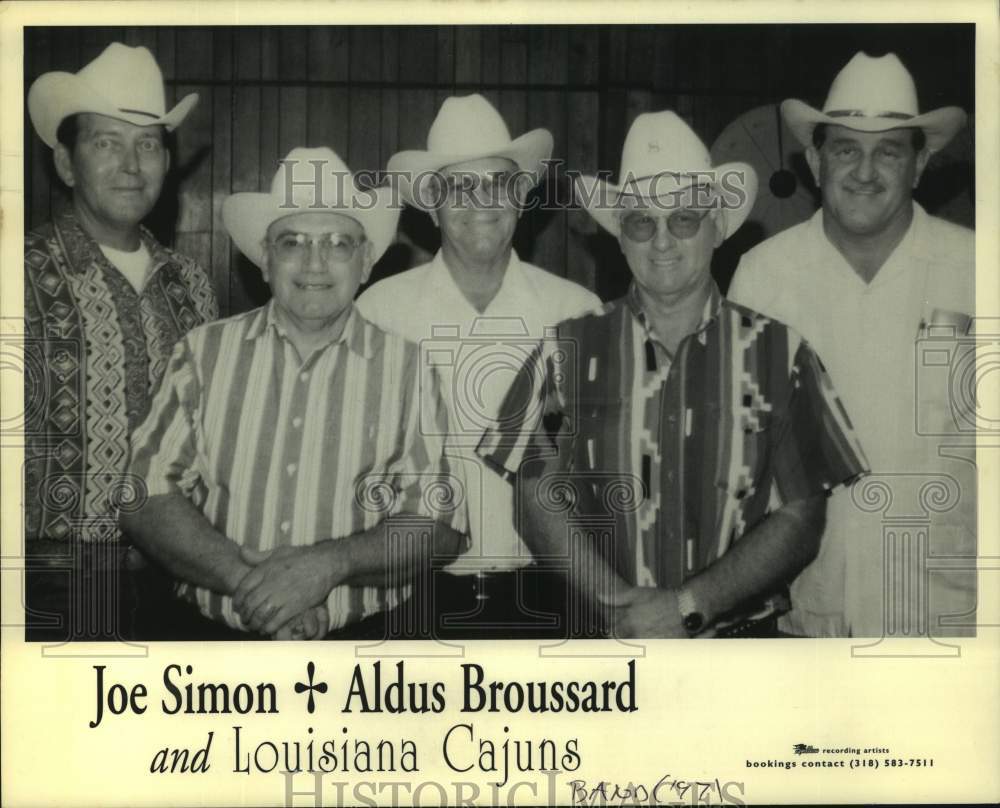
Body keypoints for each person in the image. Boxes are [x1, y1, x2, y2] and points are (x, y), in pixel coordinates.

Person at [478, 111, 869, 638]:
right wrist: (616, 606)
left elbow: (802, 518)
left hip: (737, 652)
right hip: (602, 643)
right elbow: (532, 496)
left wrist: (689, 605)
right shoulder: (564, 348)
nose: (661, 240)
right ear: (620, 236)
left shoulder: (782, 353)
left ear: (718, 228)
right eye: (641, 221)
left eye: (684, 218)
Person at [120, 147, 464, 640]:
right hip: (211, 650)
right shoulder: (201, 354)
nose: (314, 262)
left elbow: (438, 524)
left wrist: (329, 566)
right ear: (264, 259)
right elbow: (141, 494)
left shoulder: (409, 369)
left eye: (338, 243)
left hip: (366, 650)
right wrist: (260, 589)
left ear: (365, 261)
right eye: (292, 242)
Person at [728, 52, 976, 638]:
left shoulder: (978, 269)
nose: (865, 171)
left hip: (952, 616)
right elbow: (742, 458)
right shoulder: (762, 276)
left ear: (920, 164)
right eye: (846, 149)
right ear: (814, 160)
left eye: (889, 150)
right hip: (807, 619)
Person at [357, 94, 601, 638]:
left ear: (521, 198)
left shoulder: (577, 311)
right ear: (432, 205)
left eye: (498, 183)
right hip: (408, 595)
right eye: (458, 187)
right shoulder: (379, 312)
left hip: (554, 593)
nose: (480, 202)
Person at [24, 42, 218, 641]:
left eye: (148, 143)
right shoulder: (19, 274)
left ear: (167, 162)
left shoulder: (192, 286)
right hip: (50, 575)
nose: (131, 165)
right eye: (107, 142)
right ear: (65, 164)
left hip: (179, 577)